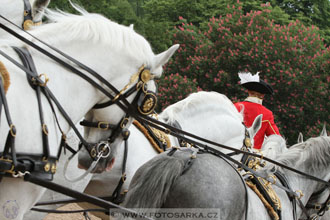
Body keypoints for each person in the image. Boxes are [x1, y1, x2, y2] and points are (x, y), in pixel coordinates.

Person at [234, 71, 281, 149]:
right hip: (253, 158)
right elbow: (276, 138)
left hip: (232, 153)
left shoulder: (235, 107)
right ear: (262, 95)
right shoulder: (267, 114)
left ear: (248, 91)